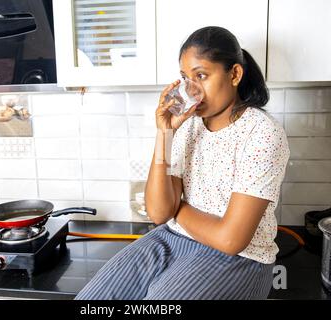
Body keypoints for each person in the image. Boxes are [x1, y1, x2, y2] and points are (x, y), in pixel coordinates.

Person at [75, 26, 290, 300]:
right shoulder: (188, 127)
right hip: (173, 238)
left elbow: (230, 239)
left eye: (201, 75)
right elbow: (158, 212)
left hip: (242, 258)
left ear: (234, 74)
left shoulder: (261, 132)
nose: (191, 89)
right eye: (185, 78)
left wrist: (178, 210)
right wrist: (165, 133)